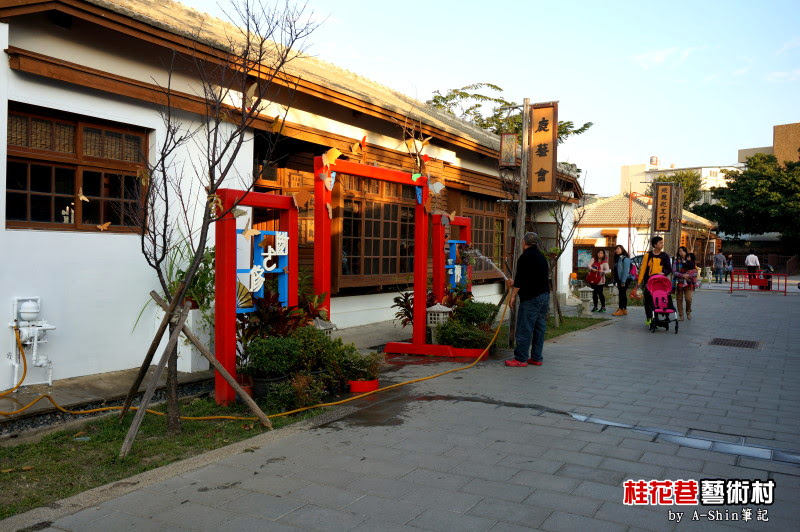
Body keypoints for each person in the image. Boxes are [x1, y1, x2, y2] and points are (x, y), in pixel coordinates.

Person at [506, 232, 550, 367]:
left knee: (525, 327)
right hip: (544, 296)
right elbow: (531, 277)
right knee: (539, 328)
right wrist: (516, 283)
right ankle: (536, 357)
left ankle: (520, 358)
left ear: (524, 242)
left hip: (531, 298)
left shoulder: (525, 257)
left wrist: (512, 296)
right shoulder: (541, 257)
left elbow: (520, 279)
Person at [636, 236, 673, 325]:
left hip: (660, 283)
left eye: (662, 243)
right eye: (660, 243)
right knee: (648, 300)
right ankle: (649, 318)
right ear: (655, 245)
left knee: (658, 299)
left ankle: (656, 318)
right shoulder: (648, 255)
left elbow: (669, 268)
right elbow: (643, 269)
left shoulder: (665, 255)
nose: (662, 244)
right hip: (649, 282)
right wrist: (639, 282)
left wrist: (663, 273)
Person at [673, 246, 697, 321]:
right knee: (679, 299)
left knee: (688, 299)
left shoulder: (690, 260)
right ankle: (681, 315)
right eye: (680, 251)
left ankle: (688, 311)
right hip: (679, 282)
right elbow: (674, 271)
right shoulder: (676, 261)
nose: (681, 253)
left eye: (683, 251)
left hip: (689, 282)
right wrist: (683, 275)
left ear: (686, 252)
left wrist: (689, 276)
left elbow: (695, 272)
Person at [611, 245, 632, 316]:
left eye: (618, 249)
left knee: (621, 294)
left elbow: (625, 271)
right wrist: (615, 280)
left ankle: (621, 309)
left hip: (625, 279)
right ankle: (624, 309)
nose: (617, 250)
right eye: (615, 249)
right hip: (620, 279)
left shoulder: (625, 259)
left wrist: (623, 281)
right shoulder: (618, 259)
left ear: (622, 250)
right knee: (622, 294)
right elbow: (616, 271)